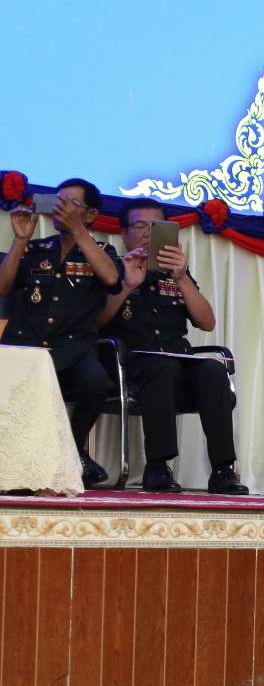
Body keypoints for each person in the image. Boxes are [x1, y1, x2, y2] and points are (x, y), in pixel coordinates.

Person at [97, 199, 246, 493]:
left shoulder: (176, 274)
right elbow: (96, 322)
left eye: (156, 227)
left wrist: (182, 277)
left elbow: (207, 322)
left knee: (213, 370)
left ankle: (223, 470)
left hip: (178, 359)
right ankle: (157, 466)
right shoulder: (113, 269)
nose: (148, 234)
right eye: (140, 226)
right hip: (132, 363)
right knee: (162, 368)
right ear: (124, 233)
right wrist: (127, 285)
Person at [0, 179, 123, 486]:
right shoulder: (37, 248)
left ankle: (75, 448)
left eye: (71, 203)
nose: (61, 208)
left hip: (73, 348)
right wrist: (20, 240)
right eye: (58, 201)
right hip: (27, 346)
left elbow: (111, 279)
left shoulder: (102, 252)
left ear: (91, 215)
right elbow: (2, 287)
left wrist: (79, 232)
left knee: (96, 381)